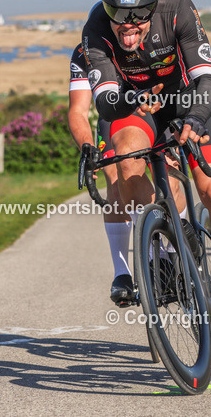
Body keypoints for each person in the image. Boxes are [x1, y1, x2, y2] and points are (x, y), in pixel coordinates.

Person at [82, 0, 211, 338]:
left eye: (138, 17)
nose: (127, 28)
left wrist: (196, 119)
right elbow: (103, 103)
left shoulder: (178, 9)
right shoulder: (97, 26)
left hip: (188, 103)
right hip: (137, 105)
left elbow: (208, 83)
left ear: (154, 5)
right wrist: (131, 97)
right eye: (118, 14)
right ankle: (163, 244)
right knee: (127, 159)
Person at [67, 42, 133, 304]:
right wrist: (88, 148)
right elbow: (78, 110)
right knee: (115, 181)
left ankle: (169, 253)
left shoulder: (137, 36)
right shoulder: (84, 51)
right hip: (115, 115)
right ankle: (122, 274)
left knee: (172, 173)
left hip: (157, 107)